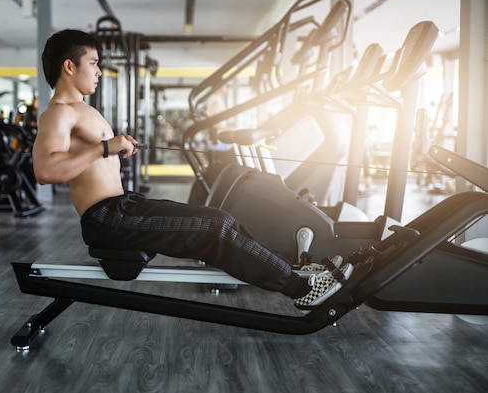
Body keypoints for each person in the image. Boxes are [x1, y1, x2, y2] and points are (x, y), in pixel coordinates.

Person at [31, 29, 354, 309]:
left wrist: (114, 148)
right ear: (69, 66)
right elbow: (45, 171)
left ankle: (296, 270)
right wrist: (106, 147)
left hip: (122, 205)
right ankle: (302, 291)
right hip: (108, 219)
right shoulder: (58, 113)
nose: (99, 70)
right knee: (215, 229)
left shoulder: (82, 110)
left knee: (221, 219)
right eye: (94, 62)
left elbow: (91, 156)